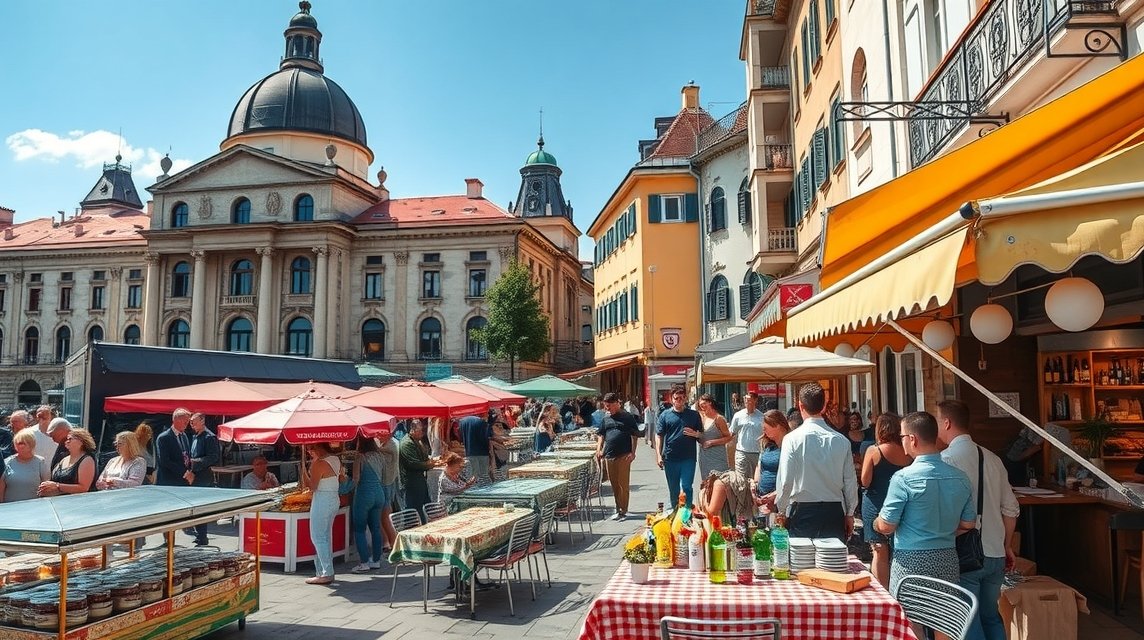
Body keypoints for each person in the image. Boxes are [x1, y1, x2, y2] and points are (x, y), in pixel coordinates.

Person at [938, 399, 1020, 640]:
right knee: (991, 616)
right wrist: (1007, 546)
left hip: (965, 552)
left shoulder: (946, 460)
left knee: (967, 619)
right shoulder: (993, 459)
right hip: (995, 552)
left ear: (947, 422)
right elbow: (1011, 509)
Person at [875, 411, 976, 599]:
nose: (901, 441)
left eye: (902, 436)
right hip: (947, 557)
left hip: (911, 558)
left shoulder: (903, 478)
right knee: (944, 621)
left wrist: (876, 523)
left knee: (911, 622)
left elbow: (887, 525)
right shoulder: (961, 477)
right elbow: (968, 523)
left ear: (912, 439)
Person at [774, 382, 859, 541]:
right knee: (832, 563)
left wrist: (781, 510)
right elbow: (850, 481)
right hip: (833, 510)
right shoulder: (842, 441)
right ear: (824, 406)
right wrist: (849, 513)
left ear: (800, 406)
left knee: (803, 564)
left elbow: (786, 482)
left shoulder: (791, 440)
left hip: (802, 509)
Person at [860, 413, 911, 589]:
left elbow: (865, 481)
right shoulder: (907, 452)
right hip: (901, 504)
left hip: (875, 503)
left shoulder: (874, 451)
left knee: (879, 550)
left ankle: (883, 592)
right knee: (898, 547)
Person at [301, 442, 344, 585]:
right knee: (325, 536)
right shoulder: (335, 459)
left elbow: (312, 486)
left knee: (318, 536)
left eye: (310, 449)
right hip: (333, 498)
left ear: (318, 448)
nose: (309, 452)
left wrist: (303, 471)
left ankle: (326, 572)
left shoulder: (319, 464)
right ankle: (322, 570)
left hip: (322, 500)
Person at [655, 384, 702, 509]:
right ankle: (676, 513)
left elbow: (701, 435)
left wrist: (696, 434)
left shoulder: (694, 415)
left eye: (682, 398)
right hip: (670, 458)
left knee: (686, 486)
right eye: (676, 398)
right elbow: (659, 435)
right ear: (671, 399)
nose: (679, 400)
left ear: (685, 398)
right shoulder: (665, 415)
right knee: (674, 489)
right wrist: (659, 455)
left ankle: (687, 513)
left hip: (688, 458)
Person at [595, 392, 641, 521]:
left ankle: (623, 510)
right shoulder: (606, 419)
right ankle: (617, 507)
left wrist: (633, 452)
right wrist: (599, 449)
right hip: (609, 455)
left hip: (624, 454)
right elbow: (601, 434)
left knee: (623, 484)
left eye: (609, 405)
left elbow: (634, 436)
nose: (607, 408)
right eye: (605, 405)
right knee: (614, 483)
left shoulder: (628, 417)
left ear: (617, 403)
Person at [349, 438, 387, 574]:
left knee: (359, 529)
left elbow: (356, 479)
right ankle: (376, 560)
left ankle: (364, 562)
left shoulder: (360, 457)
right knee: (376, 528)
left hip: (364, 495)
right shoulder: (380, 456)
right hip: (379, 494)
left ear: (361, 443)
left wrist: (344, 488)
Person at [185, 413, 220, 545]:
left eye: (194, 421)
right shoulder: (195, 436)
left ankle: (202, 535)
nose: (192, 424)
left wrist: (195, 462)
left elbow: (214, 457)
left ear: (202, 421)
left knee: (200, 506)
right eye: (191, 422)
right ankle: (199, 533)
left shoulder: (209, 437)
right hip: (193, 475)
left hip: (204, 476)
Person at [400, 419, 440, 520]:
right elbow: (413, 464)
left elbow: (424, 458)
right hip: (412, 480)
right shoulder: (407, 444)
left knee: (424, 504)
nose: (422, 433)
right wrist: (429, 465)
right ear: (413, 430)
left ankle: (424, 523)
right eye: (420, 431)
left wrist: (429, 461)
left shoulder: (417, 441)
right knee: (413, 508)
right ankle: (412, 527)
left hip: (419, 478)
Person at [40, 428, 97, 496]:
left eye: (70, 439)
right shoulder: (63, 459)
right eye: (67, 439)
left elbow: (83, 488)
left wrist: (57, 486)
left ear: (81, 442)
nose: (67, 442)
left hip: (78, 503)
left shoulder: (87, 460)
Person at [753, 409, 792, 507]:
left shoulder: (790, 446)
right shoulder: (767, 445)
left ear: (777, 426)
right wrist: (755, 484)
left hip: (779, 500)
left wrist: (775, 495)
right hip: (761, 497)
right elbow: (759, 465)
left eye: (766, 427)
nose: (764, 430)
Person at [0, 427, 50, 502]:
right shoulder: (7, 462)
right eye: (16, 443)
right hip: (10, 508)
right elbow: (1, 488)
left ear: (31, 444)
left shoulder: (40, 462)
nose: (19, 445)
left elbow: (47, 487)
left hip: (34, 508)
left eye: (22, 443)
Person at [729, 391, 765, 479]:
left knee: (755, 478)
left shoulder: (762, 417)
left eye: (749, 400)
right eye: (745, 399)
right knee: (741, 479)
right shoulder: (738, 416)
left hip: (757, 453)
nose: (746, 402)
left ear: (755, 400)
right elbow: (731, 433)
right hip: (742, 452)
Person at [696, 394, 733, 479]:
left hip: (718, 456)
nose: (703, 407)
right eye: (701, 405)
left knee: (720, 481)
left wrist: (712, 442)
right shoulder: (701, 418)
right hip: (704, 457)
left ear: (710, 403)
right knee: (706, 483)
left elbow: (728, 437)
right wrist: (696, 435)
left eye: (704, 404)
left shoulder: (719, 419)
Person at [155, 408, 193, 487]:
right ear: (176, 420)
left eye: (188, 421)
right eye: (185, 421)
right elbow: (164, 461)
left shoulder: (184, 436)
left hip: (183, 481)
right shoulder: (163, 438)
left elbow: (186, 456)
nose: (187, 424)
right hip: (168, 481)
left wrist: (189, 471)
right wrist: (184, 472)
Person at [377, 430, 400, 551]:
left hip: (386, 483)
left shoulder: (390, 446)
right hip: (389, 482)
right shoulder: (390, 443)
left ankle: (392, 542)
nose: (378, 436)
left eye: (381, 434)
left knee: (384, 516)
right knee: (385, 515)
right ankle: (387, 542)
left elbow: (375, 451)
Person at [459, 414, 494, 486]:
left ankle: (473, 490)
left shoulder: (462, 421)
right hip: (482, 452)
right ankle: (484, 491)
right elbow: (487, 436)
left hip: (469, 452)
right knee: (483, 475)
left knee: (473, 475)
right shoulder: (482, 422)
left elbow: (461, 437)